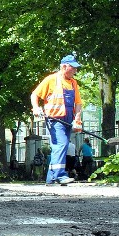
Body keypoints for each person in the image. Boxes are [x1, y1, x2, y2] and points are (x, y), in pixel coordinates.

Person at [30, 54, 83, 185]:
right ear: (64, 67)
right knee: (61, 144)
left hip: (68, 119)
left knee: (60, 146)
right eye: (73, 68)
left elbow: (78, 104)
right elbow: (34, 95)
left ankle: (51, 178)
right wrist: (36, 108)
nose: (75, 71)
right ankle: (60, 175)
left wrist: (77, 120)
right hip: (54, 119)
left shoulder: (73, 83)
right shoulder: (51, 80)